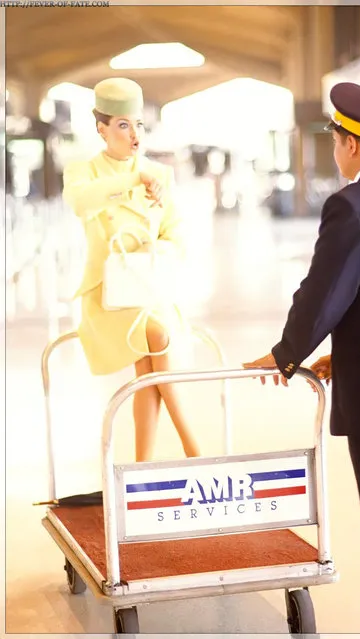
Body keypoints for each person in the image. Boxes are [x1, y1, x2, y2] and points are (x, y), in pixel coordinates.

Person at [243, 82, 360, 634]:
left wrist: (286, 354)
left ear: (348, 144)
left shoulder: (353, 204)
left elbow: (326, 292)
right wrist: (341, 357)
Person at [63, 77, 200, 461]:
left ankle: (144, 465)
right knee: (157, 335)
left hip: (149, 288)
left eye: (138, 124)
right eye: (123, 125)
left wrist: (157, 249)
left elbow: (178, 234)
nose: (134, 135)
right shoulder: (84, 172)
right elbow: (80, 203)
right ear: (101, 129)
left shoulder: (161, 175)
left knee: (147, 367)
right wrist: (131, 180)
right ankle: (194, 447)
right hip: (108, 295)